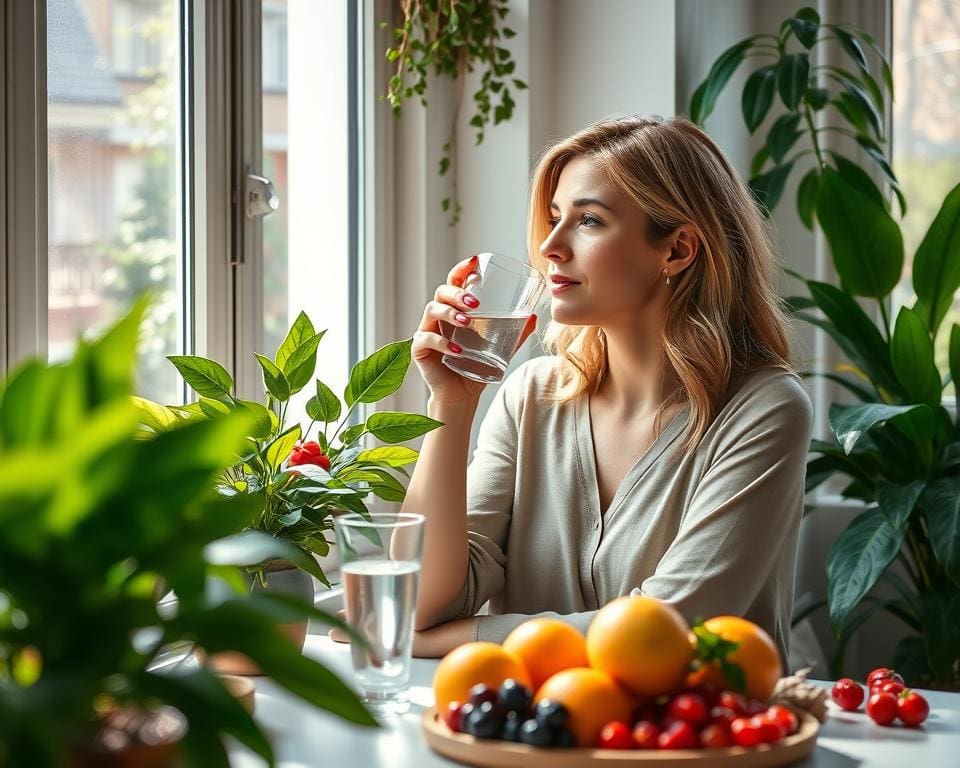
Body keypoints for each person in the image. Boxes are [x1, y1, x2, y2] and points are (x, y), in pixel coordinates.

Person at [334, 115, 813, 667]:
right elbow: (420, 600)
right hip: (538, 743)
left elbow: (661, 631)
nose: (551, 246)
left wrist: (443, 641)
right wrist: (452, 404)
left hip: (691, 746)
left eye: (588, 220)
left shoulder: (765, 410)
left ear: (677, 250)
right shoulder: (530, 397)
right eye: (554, 218)